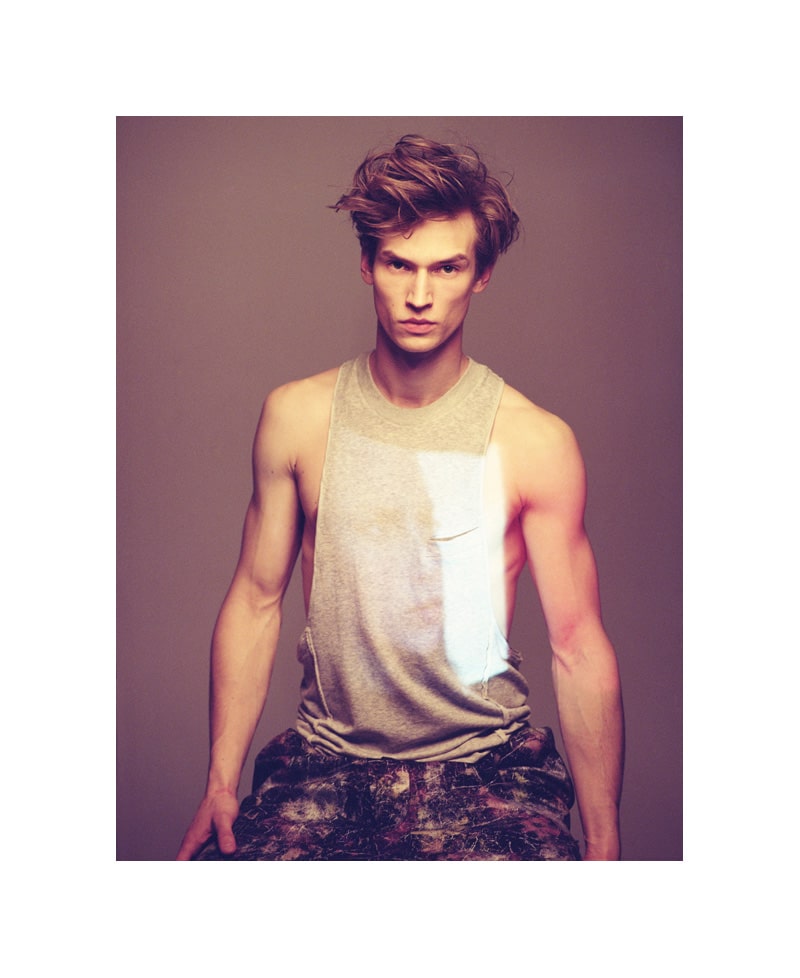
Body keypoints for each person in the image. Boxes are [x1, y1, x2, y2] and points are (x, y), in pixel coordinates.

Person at [176, 134, 624, 861]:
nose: (420, 296)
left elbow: (577, 644)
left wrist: (605, 844)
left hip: (486, 769)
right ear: (367, 265)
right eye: (399, 265)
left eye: (447, 267)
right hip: (325, 765)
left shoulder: (535, 441)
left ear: (480, 275)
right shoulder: (296, 417)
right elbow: (256, 600)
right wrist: (220, 782)